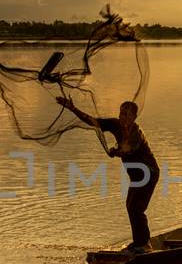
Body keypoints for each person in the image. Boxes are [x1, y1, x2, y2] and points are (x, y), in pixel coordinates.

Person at [57, 96, 160, 253]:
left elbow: (128, 148)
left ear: (134, 117)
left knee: (136, 208)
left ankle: (144, 245)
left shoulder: (136, 132)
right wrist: (72, 108)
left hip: (148, 172)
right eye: (121, 113)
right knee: (131, 206)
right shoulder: (115, 125)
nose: (122, 117)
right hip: (137, 176)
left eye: (126, 114)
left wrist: (115, 151)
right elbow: (93, 122)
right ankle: (139, 242)